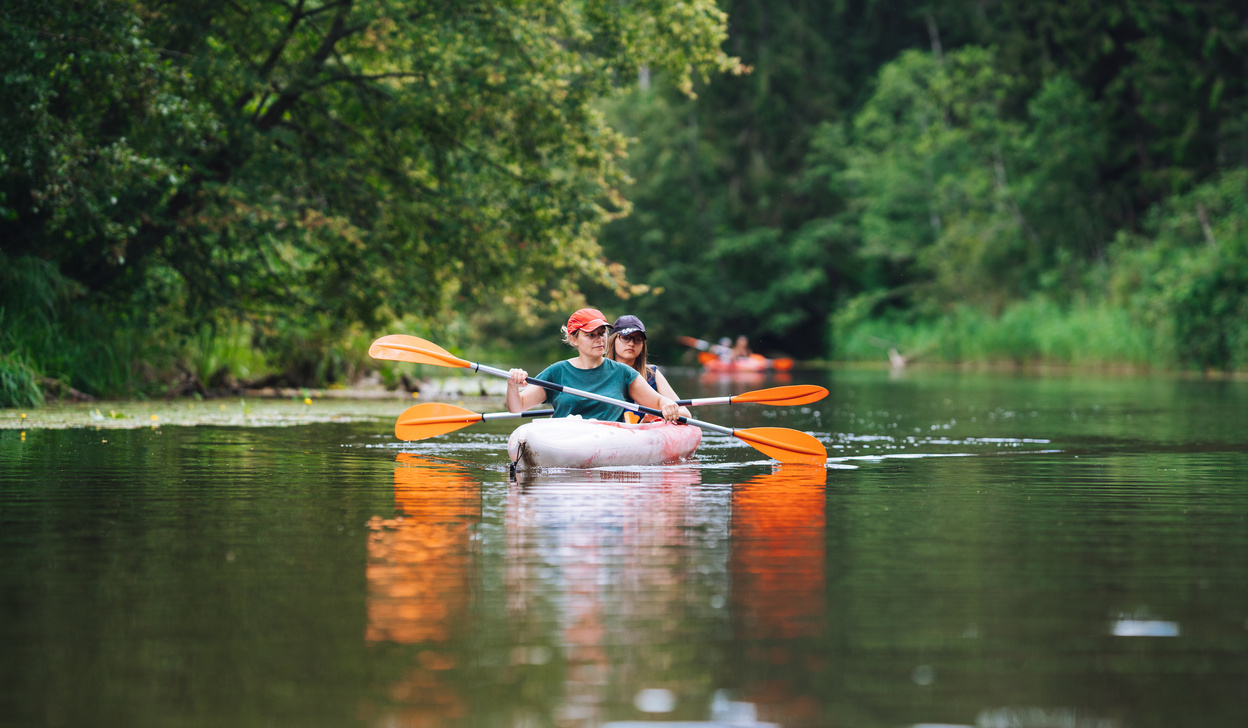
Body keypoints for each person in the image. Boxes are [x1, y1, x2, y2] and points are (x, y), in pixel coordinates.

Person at [506, 308, 681, 423]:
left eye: (602, 333)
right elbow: (517, 407)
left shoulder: (624, 373)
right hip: (564, 442)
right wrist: (512, 385)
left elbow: (658, 401)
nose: (599, 339)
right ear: (573, 339)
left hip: (608, 444)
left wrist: (667, 404)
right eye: (591, 335)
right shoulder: (556, 372)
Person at [606, 314, 692, 421]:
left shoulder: (651, 374)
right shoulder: (601, 371)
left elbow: (685, 413)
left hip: (645, 429)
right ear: (612, 340)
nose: (631, 343)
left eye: (638, 339)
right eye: (625, 338)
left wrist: (665, 412)